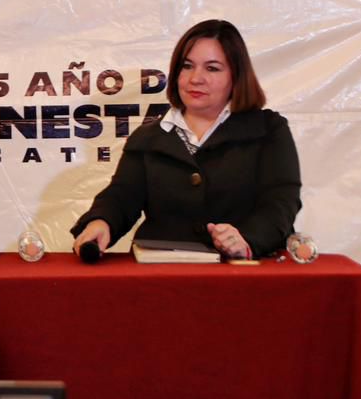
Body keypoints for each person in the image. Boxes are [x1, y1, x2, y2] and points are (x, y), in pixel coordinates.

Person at [71, 19, 301, 260]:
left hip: (243, 272)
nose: (196, 78)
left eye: (212, 68)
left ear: (237, 75)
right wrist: (101, 221)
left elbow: (281, 203)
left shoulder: (268, 130)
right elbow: (121, 197)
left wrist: (247, 240)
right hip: (162, 271)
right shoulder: (148, 137)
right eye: (187, 66)